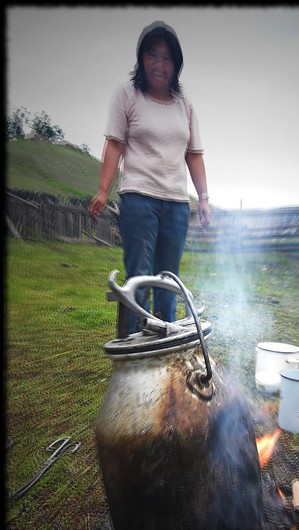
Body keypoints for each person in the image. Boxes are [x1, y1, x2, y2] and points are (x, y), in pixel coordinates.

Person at [89, 20, 211, 333]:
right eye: (153, 55)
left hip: (175, 204)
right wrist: (103, 190)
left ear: (176, 63)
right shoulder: (128, 95)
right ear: (141, 58)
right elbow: (114, 143)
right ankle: (131, 350)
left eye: (167, 57)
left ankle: (162, 355)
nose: (160, 64)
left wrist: (205, 198)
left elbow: (193, 154)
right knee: (140, 277)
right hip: (138, 200)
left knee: (169, 280)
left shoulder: (185, 104)